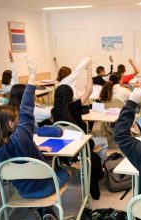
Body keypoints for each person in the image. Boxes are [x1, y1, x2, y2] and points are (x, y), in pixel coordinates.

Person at [0, 57, 71, 206]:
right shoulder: (22, 135)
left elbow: (19, 155)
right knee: (67, 172)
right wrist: (32, 75)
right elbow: (26, 107)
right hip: (45, 188)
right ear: (10, 123)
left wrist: (35, 148)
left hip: (23, 191)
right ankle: (47, 209)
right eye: (17, 118)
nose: (20, 119)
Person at [51, 57, 104, 199]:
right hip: (82, 145)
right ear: (70, 96)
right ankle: (98, 174)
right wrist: (89, 71)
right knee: (103, 142)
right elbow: (90, 90)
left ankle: (90, 167)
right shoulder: (75, 106)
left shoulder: (53, 112)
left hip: (66, 147)